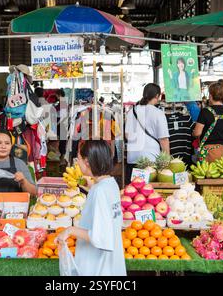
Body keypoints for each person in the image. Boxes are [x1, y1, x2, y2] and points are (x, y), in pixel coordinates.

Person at [56, 140, 126, 276]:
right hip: (112, 262)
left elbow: (99, 236)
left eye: (79, 159)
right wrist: (91, 187)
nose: (77, 163)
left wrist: (70, 230)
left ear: (87, 162)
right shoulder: (111, 184)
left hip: (99, 266)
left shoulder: (99, 190)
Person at [125, 83, 170, 184]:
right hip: (151, 160)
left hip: (133, 159)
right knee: (149, 193)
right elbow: (163, 140)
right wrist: (167, 162)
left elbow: (127, 135)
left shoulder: (132, 111)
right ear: (157, 96)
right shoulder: (158, 113)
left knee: (134, 193)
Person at [193, 81, 223, 162]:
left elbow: (197, 133)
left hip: (210, 153)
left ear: (211, 96)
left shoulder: (206, 111)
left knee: (208, 174)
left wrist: (193, 132)